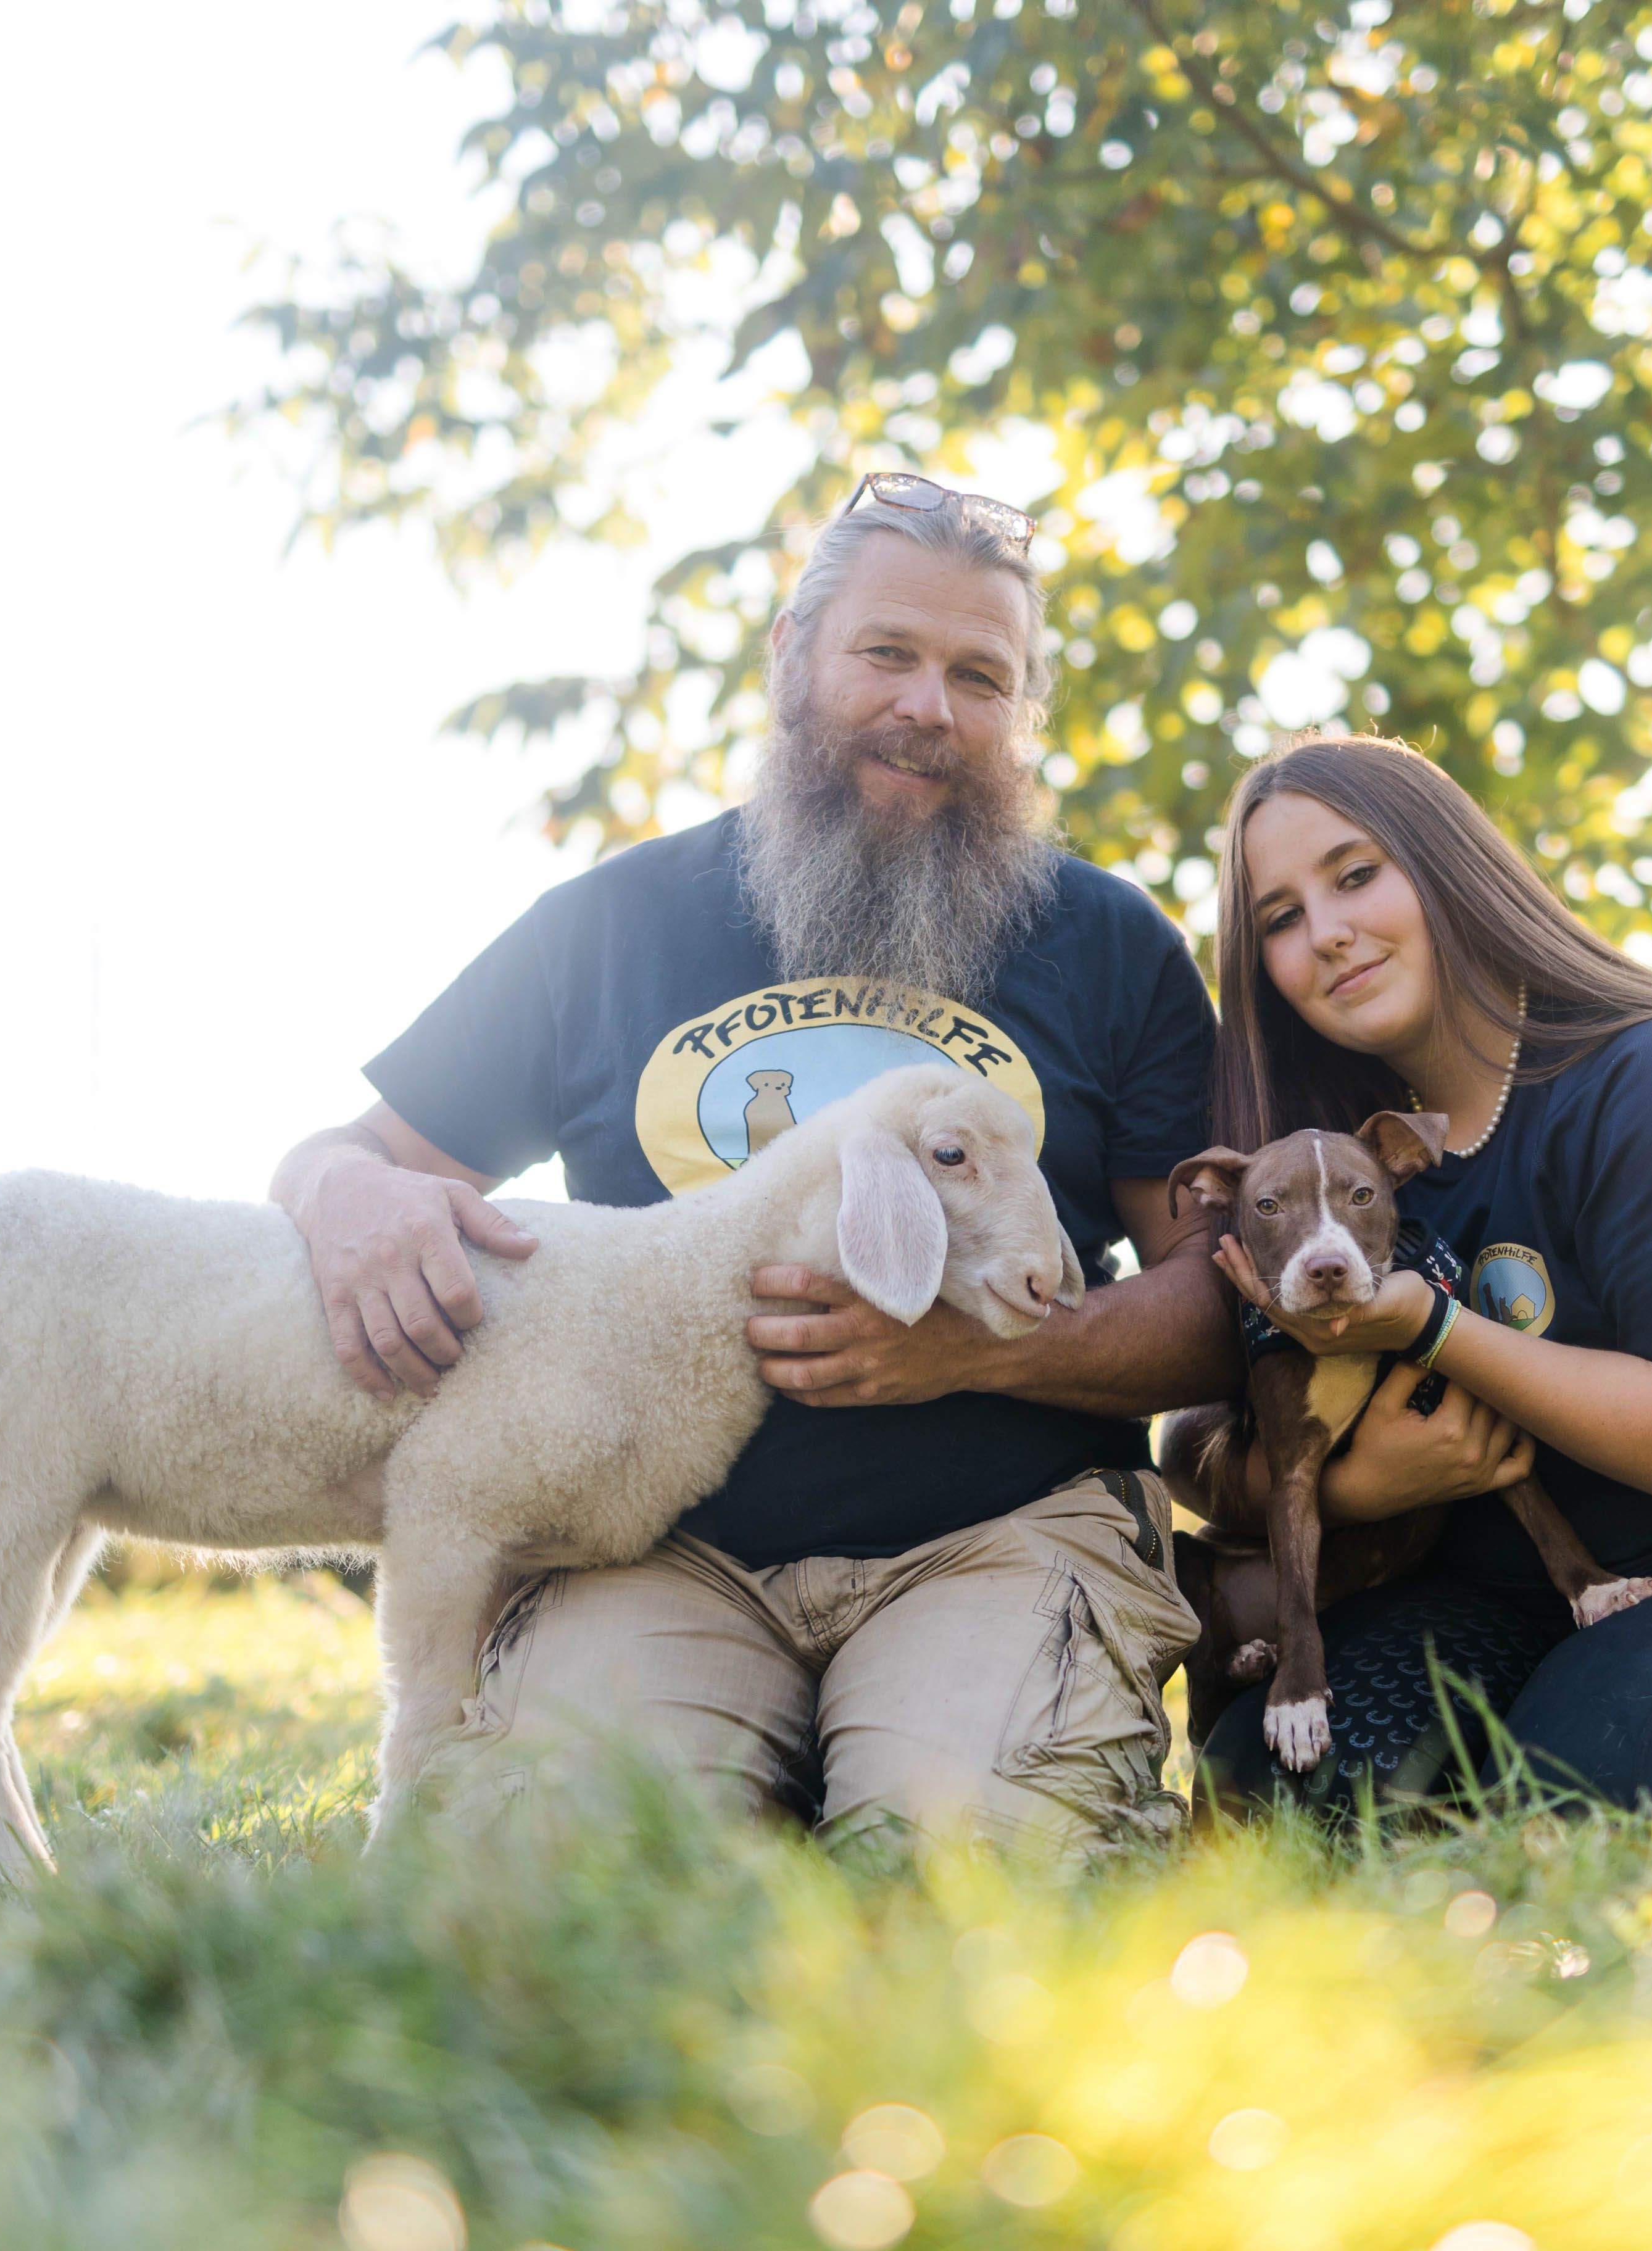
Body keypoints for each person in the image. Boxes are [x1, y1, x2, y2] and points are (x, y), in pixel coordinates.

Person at [270, 473, 1231, 1855]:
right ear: (793, 657)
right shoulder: (606, 926)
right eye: (887, 654)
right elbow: (351, 1156)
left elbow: (1219, 1308)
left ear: (1017, 716)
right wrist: (340, 1193)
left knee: (968, 1877)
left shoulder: (1111, 943)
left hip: (999, 1540)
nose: (928, 706)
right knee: (572, 1882)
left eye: (980, 675)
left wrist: (978, 1355)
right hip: (642, 1550)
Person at [1165, 734, 1652, 1808]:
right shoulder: (1337, 1175)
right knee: (1278, 1797)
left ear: (1447, 867)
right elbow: (1203, 1440)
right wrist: (1357, 1485)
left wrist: (1432, 1330)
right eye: (1282, 920)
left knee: (1573, 1798)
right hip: (1505, 1585)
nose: (1328, 932)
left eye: (1356, 876)